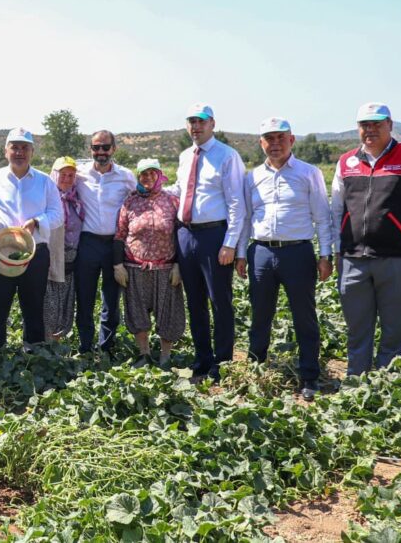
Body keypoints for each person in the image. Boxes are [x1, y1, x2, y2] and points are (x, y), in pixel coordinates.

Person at [331, 103, 401, 376]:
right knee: (357, 328)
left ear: (390, 124)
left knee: (395, 329)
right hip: (353, 259)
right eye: (365, 124)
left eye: (377, 123)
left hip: (397, 259)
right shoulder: (346, 163)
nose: (371, 129)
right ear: (358, 128)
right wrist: (336, 250)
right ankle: (356, 382)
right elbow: (336, 210)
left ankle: (388, 385)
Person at [235, 118, 334, 400]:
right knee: (259, 315)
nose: (275, 144)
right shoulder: (252, 177)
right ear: (261, 143)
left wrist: (325, 254)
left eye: (280, 138)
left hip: (297, 252)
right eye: (269, 139)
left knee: (304, 317)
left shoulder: (308, 173)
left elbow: (322, 217)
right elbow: (245, 218)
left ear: (291, 140)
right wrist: (242, 253)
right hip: (261, 252)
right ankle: (255, 370)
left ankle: (309, 377)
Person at [171, 104, 245, 382]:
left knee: (219, 301)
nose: (196, 127)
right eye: (191, 121)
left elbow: (237, 203)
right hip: (186, 234)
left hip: (214, 236)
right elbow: (180, 190)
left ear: (212, 123)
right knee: (195, 301)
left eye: (201, 121)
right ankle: (202, 358)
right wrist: (150, 191)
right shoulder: (185, 156)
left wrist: (230, 244)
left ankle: (222, 362)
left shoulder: (227, 156)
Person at [0, 128, 63, 351]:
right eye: (15, 147)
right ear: (6, 151)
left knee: (33, 302)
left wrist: (36, 222)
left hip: (35, 253)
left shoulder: (44, 181)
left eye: (24, 148)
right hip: (1, 251)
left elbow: (58, 215)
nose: (19, 152)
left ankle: (33, 349)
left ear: (32, 152)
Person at [113, 158, 185, 368]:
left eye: (153, 173)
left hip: (165, 268)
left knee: (168, 311)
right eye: (144, 174)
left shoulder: (171, 201)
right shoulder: (130, 202)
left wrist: (179, 264)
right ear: (138, 177)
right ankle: (144, 354)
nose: (148, 178)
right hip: (134, 267)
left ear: (160, 175)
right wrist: (118, 265)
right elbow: (120, 234)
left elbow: (181, 234)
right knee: (137, 311)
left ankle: (165, 356)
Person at [74, 130, 136, 355]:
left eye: (105, 147)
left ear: (114, 149)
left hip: (114, 245)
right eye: (96, 148)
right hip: (87, 242)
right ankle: (85, 346)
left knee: (111, 298)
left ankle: (106, 347)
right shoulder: (79, 174)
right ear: (91, 150)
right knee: (85, 297)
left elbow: (138, 201)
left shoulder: (126, 176)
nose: (101, 152)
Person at [43, 156, 84, 342]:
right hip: (51, 260)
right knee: (48, 305)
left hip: (71, 261)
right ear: (54, 174)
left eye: (71, 175)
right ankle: (45, 346)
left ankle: (57, 347)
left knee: (66, 306)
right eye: (63, 174)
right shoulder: (46, 198)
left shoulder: (77, 199)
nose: (67, 178)